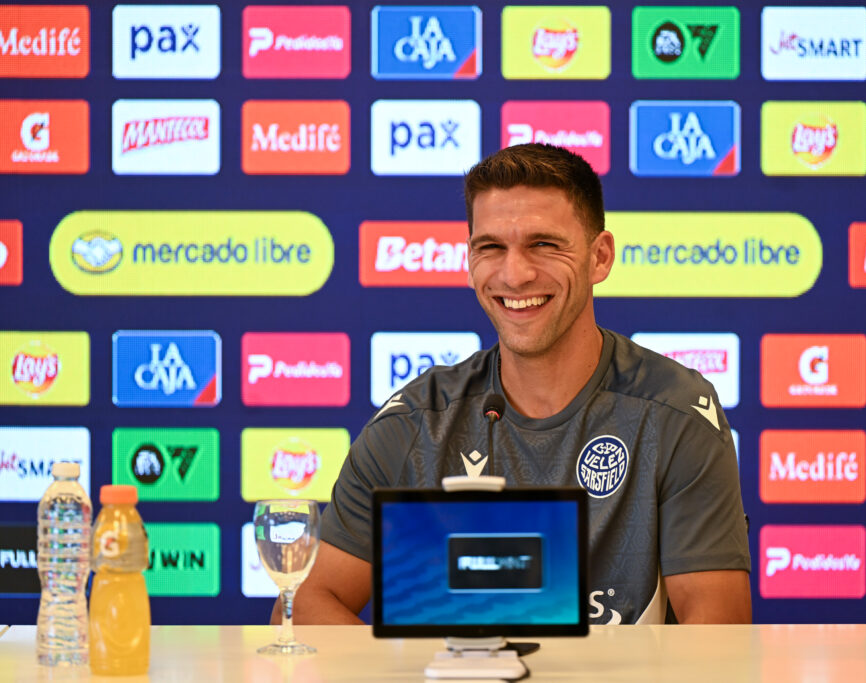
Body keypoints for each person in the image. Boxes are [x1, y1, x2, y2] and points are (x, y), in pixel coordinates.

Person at [278, 143, 751, 625]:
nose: (515, 274)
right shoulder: (415, 423)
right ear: (470, 262)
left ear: (600, 257)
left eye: (544, 245)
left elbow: (718, 636)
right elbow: (300, 606)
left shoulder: (673, 412)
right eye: (491, 248)